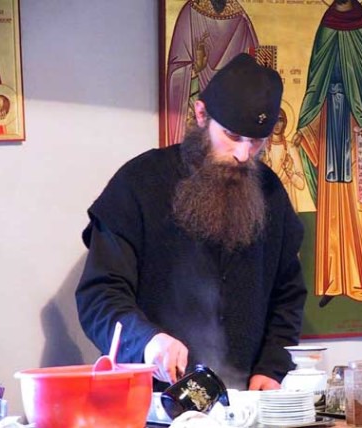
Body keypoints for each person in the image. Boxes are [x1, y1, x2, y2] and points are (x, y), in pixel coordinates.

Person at [76, 53, 307, 392]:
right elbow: (99, 296)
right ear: (201, 114)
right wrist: (147, 341)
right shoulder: (139, 183)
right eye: (232, 135)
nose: (244, 154)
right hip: (150, 403)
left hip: (243, 406)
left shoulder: (270, 192)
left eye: (256, 141)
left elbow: (287, 296)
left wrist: (271, 367)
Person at [292, 0, 362, 310]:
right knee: (332, 211)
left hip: (361, 134)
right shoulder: (326, 24)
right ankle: (333, 282)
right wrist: (306, 125)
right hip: (329, 127)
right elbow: (315, 84)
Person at [166, 0, 258, 146]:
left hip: (231, 110)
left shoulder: (240, 18)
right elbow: (177, 71)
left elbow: (253, 72)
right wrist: (196, 70)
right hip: (196, 106)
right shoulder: (190, 13)